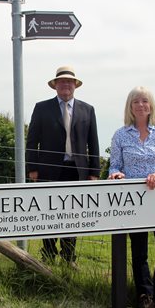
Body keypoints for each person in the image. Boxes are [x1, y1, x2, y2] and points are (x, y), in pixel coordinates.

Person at [108, 86, 155, 308]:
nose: (140, 105)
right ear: (130, 107)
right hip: (134, 201)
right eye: (135, 101)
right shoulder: (120, 135)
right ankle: (144, 298)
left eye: (144, 101)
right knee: (139, 252)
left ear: (151, 106)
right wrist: (116, 174)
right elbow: (114, 166)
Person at [26, 65, 100, 270]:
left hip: (77, 170)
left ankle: (69, 257)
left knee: (72, 214)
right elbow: (32, 141)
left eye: (69, 81)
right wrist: (32, 168)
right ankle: (48, 255)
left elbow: (93, 143)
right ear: (55, 85)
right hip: (48, 170)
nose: (65, 85)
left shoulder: (88, 110)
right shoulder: (42, 108)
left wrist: (94, 172)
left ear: (75, 85)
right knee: (48, 212)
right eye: (61, 81)